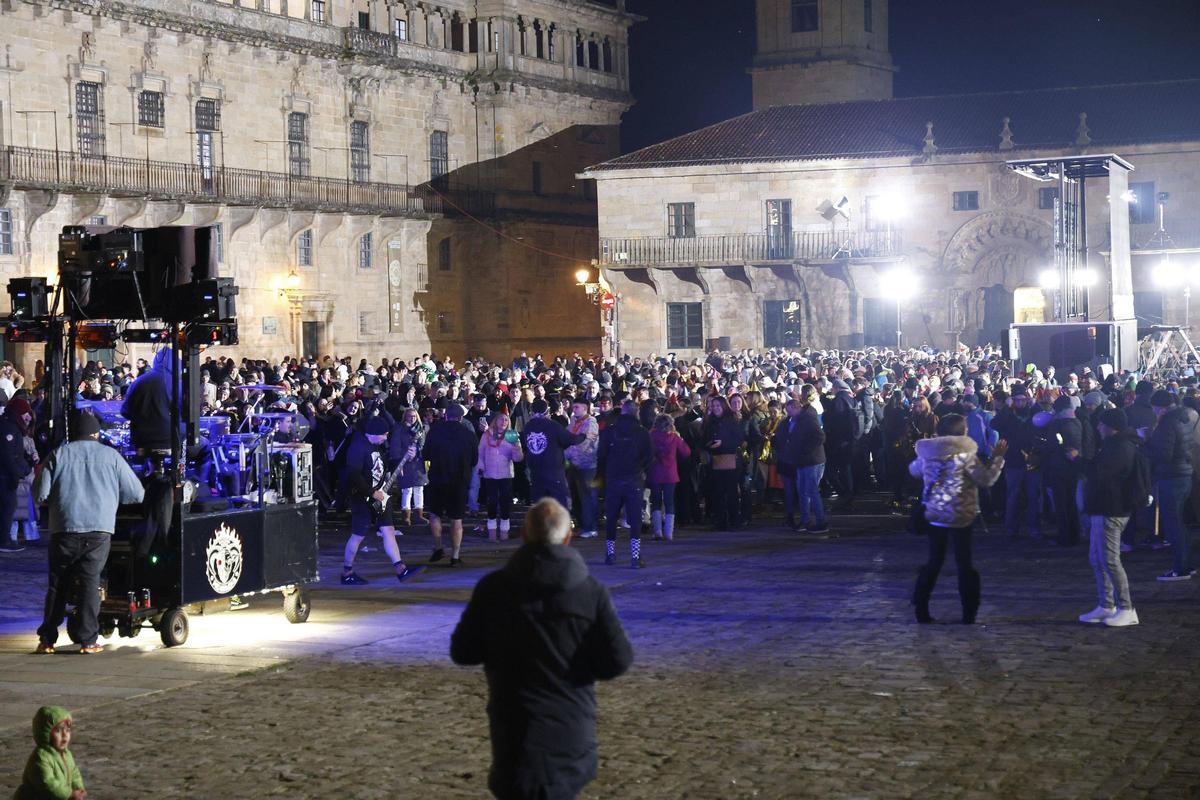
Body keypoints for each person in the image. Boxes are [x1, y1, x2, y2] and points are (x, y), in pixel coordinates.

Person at [450, 498, 634, 800]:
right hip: (571, 724)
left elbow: (463, 652)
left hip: (515, 726)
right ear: (567, 538)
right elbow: (618, 661)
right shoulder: (591, 592)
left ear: (524, 534)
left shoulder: (494, 588)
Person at [33, 411, 145, 654]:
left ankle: (47, 640)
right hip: (98, 530)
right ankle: (88, 641)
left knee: (57, 584)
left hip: (63, 528)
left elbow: (39, 493)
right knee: (90, 583)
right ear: (96, 434)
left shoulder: (59, 454)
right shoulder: (111, 456)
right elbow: (136, 493)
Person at [910, 414, 1008, 625]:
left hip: (935, 514)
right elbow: (986, 479)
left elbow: (914, 471)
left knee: (934, 561)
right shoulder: (966, 457)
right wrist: (998, 459)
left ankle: (921, 607)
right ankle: (969, 612)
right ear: (964, 432)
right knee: (964, 564)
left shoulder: (929, 453)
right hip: (961, 514)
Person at [1076, 408, 1141, 627]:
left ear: (1111, 427)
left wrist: (1078, 461)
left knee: (1111, 560)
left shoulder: (1120, 447)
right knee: (1097, 558)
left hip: (1112, 508)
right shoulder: (1115, 445)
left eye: (1101, 424)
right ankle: (1106, 605)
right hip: (1103, 507)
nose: (1098, 427)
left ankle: (1126, 607)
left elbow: (1100, 473)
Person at [339, 415, 423, 584]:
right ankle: (347, 572)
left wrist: (405, 458)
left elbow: (384, 465)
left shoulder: (376, 446)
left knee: (388, 530)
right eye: (383, 434)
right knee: (358, 535)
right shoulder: (358, 447)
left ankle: (401, 569)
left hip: (380, 496)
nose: (386, 437)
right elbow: (353, 475)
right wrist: (371, 492)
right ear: (373, 433)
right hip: (363, 498)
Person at [1144, 389, 1199, 581]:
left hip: (1172, 476)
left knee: (1173, 523)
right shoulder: (1183, 419)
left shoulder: (1167, 424)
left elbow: (1163, 455)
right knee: (1180, 523)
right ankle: (1186, 564)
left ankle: (1181, 567)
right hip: (1184, 473)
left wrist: (1147, 443)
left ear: (1161, 408)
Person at [597, 398, 654, 567]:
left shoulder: (610, 431)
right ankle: (635, 557)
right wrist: (641, 469)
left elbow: (601, 454)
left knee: (611, 517)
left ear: (622, 412)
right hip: (634, 479)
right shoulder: (642, 432)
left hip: (614, 479)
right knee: (635, 519)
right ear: (636, 412)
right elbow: (650, 457)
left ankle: (610, 554)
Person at [423, 403, 479, 566]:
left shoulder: (435, 432)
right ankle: (455, 556)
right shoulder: (469, 435)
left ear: (445, 415)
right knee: (457, 519)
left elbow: (425, 454)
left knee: (435, 514)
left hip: (437, 478)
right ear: (461, 417)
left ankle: (439, 547)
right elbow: (474, 460)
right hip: (459, 481)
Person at [521, 398, 584, 509]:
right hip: (553, 470)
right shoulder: (552, 425)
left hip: (535, 470)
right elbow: (569, 440)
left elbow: (526, 445)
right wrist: (584, 435)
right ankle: (559, 525)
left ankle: (541, 525)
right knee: (560, 503)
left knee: (540, 505)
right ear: (547, 411)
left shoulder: (528, 426)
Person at [15, 705, 86, 800]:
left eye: (67, 730)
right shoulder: (40, 757)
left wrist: (78, 787)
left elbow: (74, 772)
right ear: (45, 733)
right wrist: (69, 794)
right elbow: (47, 783)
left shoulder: (66, 753)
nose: (64, 735)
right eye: (58, 731)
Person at [477, 413, 524, 542]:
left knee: (505, 503)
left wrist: (516, 448)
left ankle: (504, 532)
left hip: (506, 474)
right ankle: (492, 533)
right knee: (491, 502)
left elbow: (518, 458)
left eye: (506, 419)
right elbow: (480, 452)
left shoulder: (512, 435)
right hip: (490, 474)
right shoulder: (487, 435)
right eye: (501, 419)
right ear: (495, 421)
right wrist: (481, 467)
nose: (503, 421)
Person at [647, 413, 691, 542]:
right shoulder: (674, 437)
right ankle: (668, 532)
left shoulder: (651, 436)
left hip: (655, 473)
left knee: (655, 502)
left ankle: (657, 531)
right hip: (670, 474)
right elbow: (686, 452)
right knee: (669, 502)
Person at [0, 397, 36, 553]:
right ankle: (4, 540)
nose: (27, 416)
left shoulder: (10, 426)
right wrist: (16, 473)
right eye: (25, 412)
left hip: (7, 475)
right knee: (7, 508)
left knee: (9, 507)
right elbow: (8, 455)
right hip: (5, 477)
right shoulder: (9, 428)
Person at [564, 399, 600, 539]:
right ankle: (583, 525)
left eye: (577, 407)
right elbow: (567, 437)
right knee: (575, 496)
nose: (574, 409)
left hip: (587, 465)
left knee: (586, 496)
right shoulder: (573, 421)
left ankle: (591, 527)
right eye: (574, 407)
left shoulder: (591, 423)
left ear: (585, 408)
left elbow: (583, 443)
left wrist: (568, 453)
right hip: (573, 465)